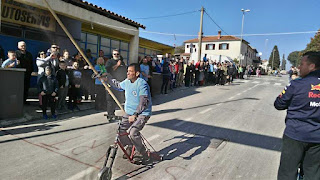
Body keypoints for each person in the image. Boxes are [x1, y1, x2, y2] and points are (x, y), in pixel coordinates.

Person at [274, 51, 320, 180]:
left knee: (287, 172)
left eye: (302, 64)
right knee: (313, 173)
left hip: (295, 135)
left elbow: (279, 104)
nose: (299, 67)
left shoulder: (297, 84)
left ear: (312, 66)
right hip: (317, 137)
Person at [105, 63, 152, 162]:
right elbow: (117, 85)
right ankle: (130, 147)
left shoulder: (142, 83)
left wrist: (135, 114)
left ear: (137, 73)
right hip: (129, 112)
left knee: (133, 132)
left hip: (142, 113)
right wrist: (108, 78)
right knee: (121, 131)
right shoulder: (127, 82)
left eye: (130, 71)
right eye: (128, 71)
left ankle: (141, 151)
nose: (128, 73)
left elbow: (144, 102)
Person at [105, 49, 126, 121]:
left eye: (117, 54)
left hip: (120, 83)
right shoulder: (109, 62)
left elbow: (124, 71)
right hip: (112, 82)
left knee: (117, 100)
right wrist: (117, 65)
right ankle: (110, 115)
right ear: (112, 55)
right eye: (115, 54)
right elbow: (108, 70)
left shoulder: (122, 62)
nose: (116, 55)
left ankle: (113, 114)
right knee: (110, 99)